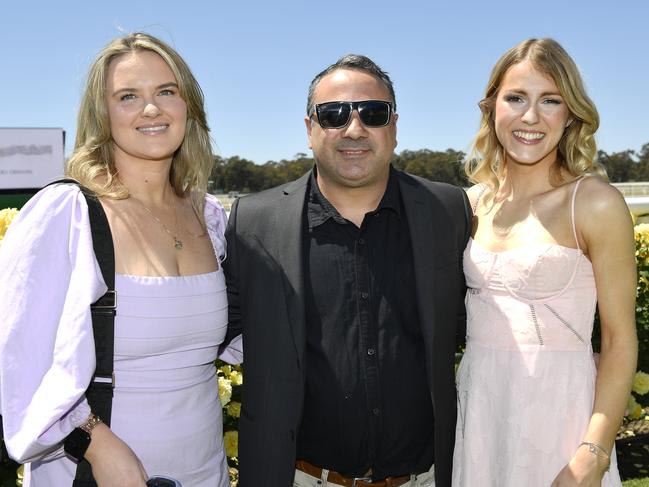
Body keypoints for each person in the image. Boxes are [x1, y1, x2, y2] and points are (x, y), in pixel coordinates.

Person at [0, 32, 241, 487]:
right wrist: (93, 441)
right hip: (95, 473)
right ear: (103, 114)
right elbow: (17, 360)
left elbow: (236, 336)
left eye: (166, 92)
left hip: (205, 470)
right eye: (128, 96)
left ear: (187, 106)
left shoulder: (208, 216)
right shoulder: (67, 215)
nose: (151, 109)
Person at [222, 54, 472, 487]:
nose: (354, 129)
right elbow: (204, 335)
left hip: (426, 478)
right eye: (333, 114)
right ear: (309, 129)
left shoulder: (448, 211)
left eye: (373, 114)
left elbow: (483, 322)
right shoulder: (253, 223)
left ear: (394, 127)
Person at [452, 38, 638, 487]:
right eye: (516, 97)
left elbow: (618, 341)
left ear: (570, 113)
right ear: (492, 106)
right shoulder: (469, 205)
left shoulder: (594, 204)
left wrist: (593, 454)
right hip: (479, 418)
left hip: (562, 427)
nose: (530, 117)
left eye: (550, 100)